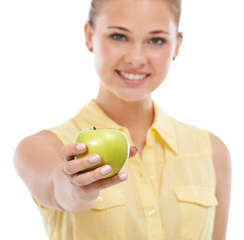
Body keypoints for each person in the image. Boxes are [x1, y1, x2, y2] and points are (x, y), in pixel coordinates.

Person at [13, 0, 231, 239]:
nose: (136, 58)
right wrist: (76, 190)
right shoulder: (43, 147)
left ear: (177, 46)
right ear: (89, 36)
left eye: (156, 40)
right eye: (118, 36)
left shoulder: (212, 151)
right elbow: (59, 189)